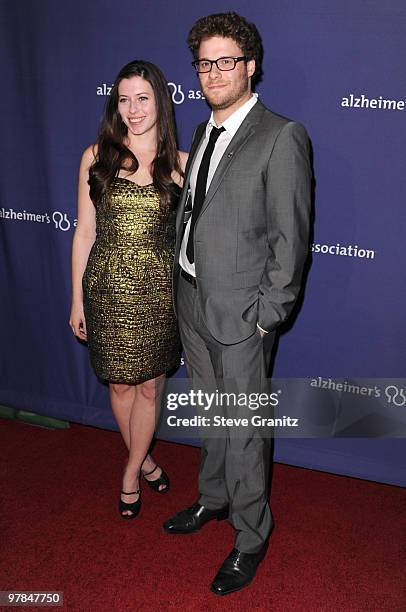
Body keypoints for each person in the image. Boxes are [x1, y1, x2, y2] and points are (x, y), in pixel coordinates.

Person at [163, 12, 312, 595]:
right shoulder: (202, 133)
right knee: (211, 414)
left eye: (226, 61)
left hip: (243, 315)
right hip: (192, 299)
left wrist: (266, 316)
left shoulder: (282, 135)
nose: (214, 72)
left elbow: (290, 240)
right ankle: (214, 500)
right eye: (205, 62)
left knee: (245, 428)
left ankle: (251, 537)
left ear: (251, 66)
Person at [69, 60, 187, 520]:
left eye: (143, 98)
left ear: (160, 100)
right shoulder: (96, 156)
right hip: (106, 291)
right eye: (124, 99)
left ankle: (130, 471)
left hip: (159, 295)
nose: (133, 109)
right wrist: (77, 299)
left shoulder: (180, 164)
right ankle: (145, 459)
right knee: (120, 385)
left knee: (149, 390)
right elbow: (83, 232)